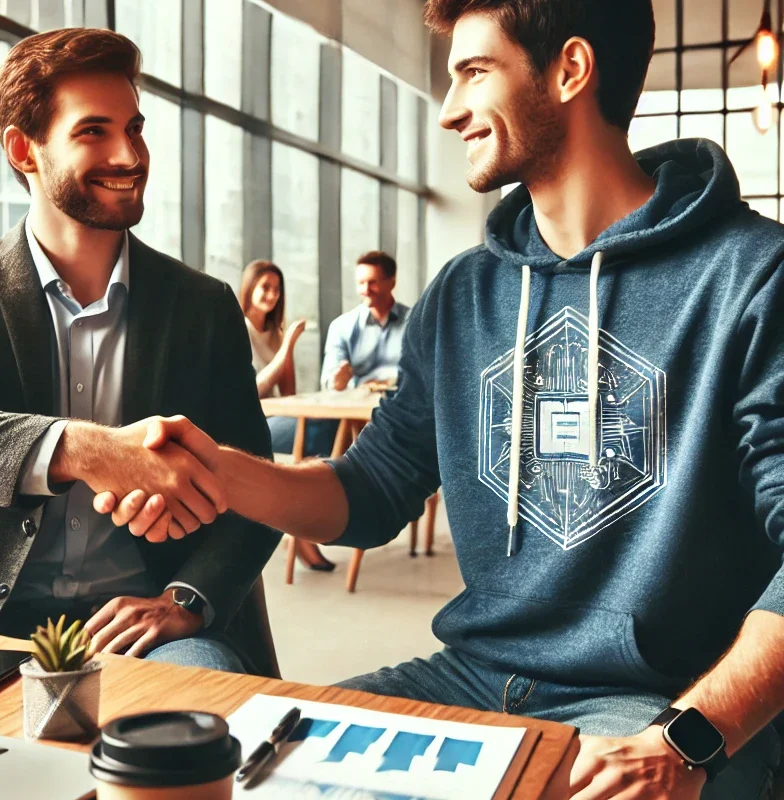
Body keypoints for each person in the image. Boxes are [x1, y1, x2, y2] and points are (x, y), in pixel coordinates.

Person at [100, 0, 784, 796]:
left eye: (474, 72)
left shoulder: (754, 279)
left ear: (570, 69)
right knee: (250, 772)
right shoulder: (465, 291)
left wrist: (691, 735)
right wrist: (220, 472)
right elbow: (372, 489)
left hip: (652, 705)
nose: (450, 109)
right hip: (469, 676)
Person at [0, 28, 281, 677]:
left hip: (151, 623)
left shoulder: (202, 305)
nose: (129, 153)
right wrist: (84, 451)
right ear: (24, 149)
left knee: (199, 749)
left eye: (134, 128)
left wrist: (185, 601)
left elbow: (255, 483)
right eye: (93, 132)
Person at [239, 259, 336, 572]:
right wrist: (288, 346)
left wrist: (285, 345)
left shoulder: (275, 334)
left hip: (274, 417)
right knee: (315, 436)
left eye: (277, 289)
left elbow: (289, 395)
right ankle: (301, 532)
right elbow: (253, 392)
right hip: (247, 422)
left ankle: (300, 523)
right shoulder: (238, 328)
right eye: (265, 287)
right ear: (250, 288)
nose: (272, 295)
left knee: (325, 430)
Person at [321, 251, 410, 391]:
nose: (365, 290)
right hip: (355, 408)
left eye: (372, 283)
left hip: (404, 406)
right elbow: (330, 381)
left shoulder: (416, 323)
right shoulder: (341, 327)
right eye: (361, 283)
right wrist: (337, 382)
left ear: (391, 283)